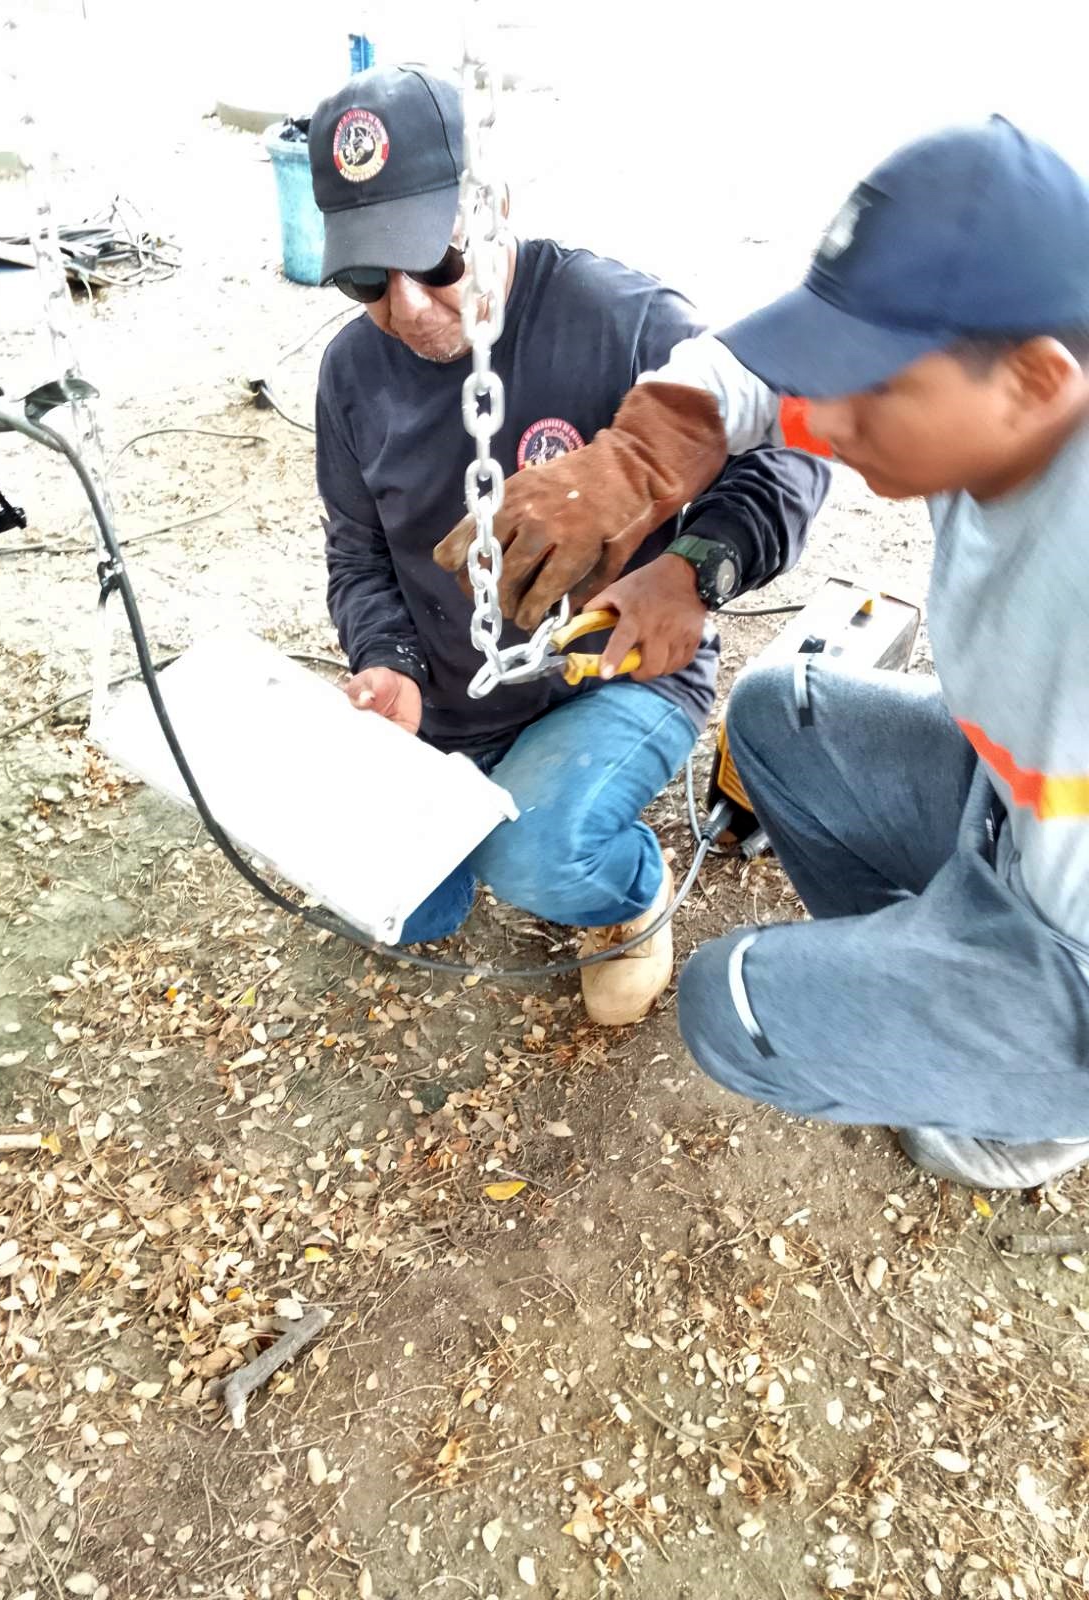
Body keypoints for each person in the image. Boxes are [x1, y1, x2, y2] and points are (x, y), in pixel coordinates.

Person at [436, 115, 1089, 1189]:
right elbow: (741, 378)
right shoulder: (1007, 406)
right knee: (777, 714)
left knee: (731, 1002)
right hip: (1017, 811)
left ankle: (1024, 1110)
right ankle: (942, 984)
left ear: (1033, 381)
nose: (824, 415)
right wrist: (639, 471)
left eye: (872, 384)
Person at [307, 65, 830, 1025]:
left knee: (539, 857)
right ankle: (486, 808)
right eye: (366, 279)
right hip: (449, 692)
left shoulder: (621, 319)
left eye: (437, 261)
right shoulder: (349, 374)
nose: (409, 305)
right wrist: (388, 663)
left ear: (494, 209)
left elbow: (791, 454)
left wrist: (691, 573)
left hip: (606, 674)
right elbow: (358, 556)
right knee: (408, 909)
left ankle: (628, 889)